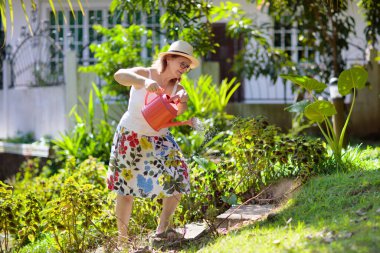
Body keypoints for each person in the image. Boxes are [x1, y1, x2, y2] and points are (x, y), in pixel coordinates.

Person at [106, 40, 200, 246]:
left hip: (159, 137)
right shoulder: (145, 74)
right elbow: (119, 75)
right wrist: (142, 81)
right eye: (182, 64)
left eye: (187, 67)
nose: (184, 70)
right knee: (124, 188)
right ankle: (122, 242)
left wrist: (182, 101)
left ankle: (162, 230)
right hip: (131, 134)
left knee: (179, 176)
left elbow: (180, 112)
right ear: (169, 58)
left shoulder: (178, 86)